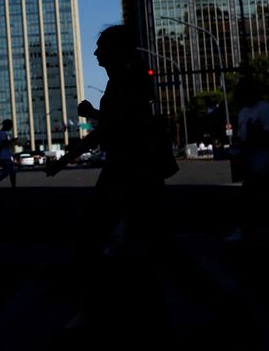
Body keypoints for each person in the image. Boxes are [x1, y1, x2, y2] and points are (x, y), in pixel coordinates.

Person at [45, 25, 171, 347]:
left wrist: (92, 114)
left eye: (101, 48)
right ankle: (138, 310)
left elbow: (122, 125)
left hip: (131, 171)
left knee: (95, 240)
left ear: (118, 51)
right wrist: (65, 160)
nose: (96, 54)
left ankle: (99, 310)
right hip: (130, 171)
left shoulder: (132, 80)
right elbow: (114, 127)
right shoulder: (122, 81)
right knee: (136, 242)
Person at [225, 76, 269, 242]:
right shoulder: (243, 111)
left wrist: (255, 137)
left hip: (264, 160)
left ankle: (245, 229)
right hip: (251, 160)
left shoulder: (263, 108)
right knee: (268, 196)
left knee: (249, 196)